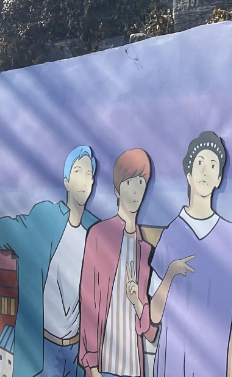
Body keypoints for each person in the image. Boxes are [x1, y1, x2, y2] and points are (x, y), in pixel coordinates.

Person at [148, 131, 232, 377]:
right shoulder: (171, 235)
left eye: (213, 165)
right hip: (172, 363)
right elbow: (154, 314)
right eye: (200, 163)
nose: (205, 171)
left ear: (219, 178)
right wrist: (169, 275)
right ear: (189, 175)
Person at [0, 146, 101, 377]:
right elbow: (7, 230)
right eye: (78, 171)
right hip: (45, 350)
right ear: (66, 181)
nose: (85, 180)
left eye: (89, 174)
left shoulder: (96, 231)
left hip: (77, 353)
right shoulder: (46, 217)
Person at [79, 148, 158, 377]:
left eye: (141, 183)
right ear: (117, 190)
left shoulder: (144, 251)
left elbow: (148, 329)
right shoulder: (99, 235)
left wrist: (137, 303)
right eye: (129, 183)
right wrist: (91, 364)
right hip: (103, 366)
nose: (135, 191)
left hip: (133, 366)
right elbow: (89, 301)